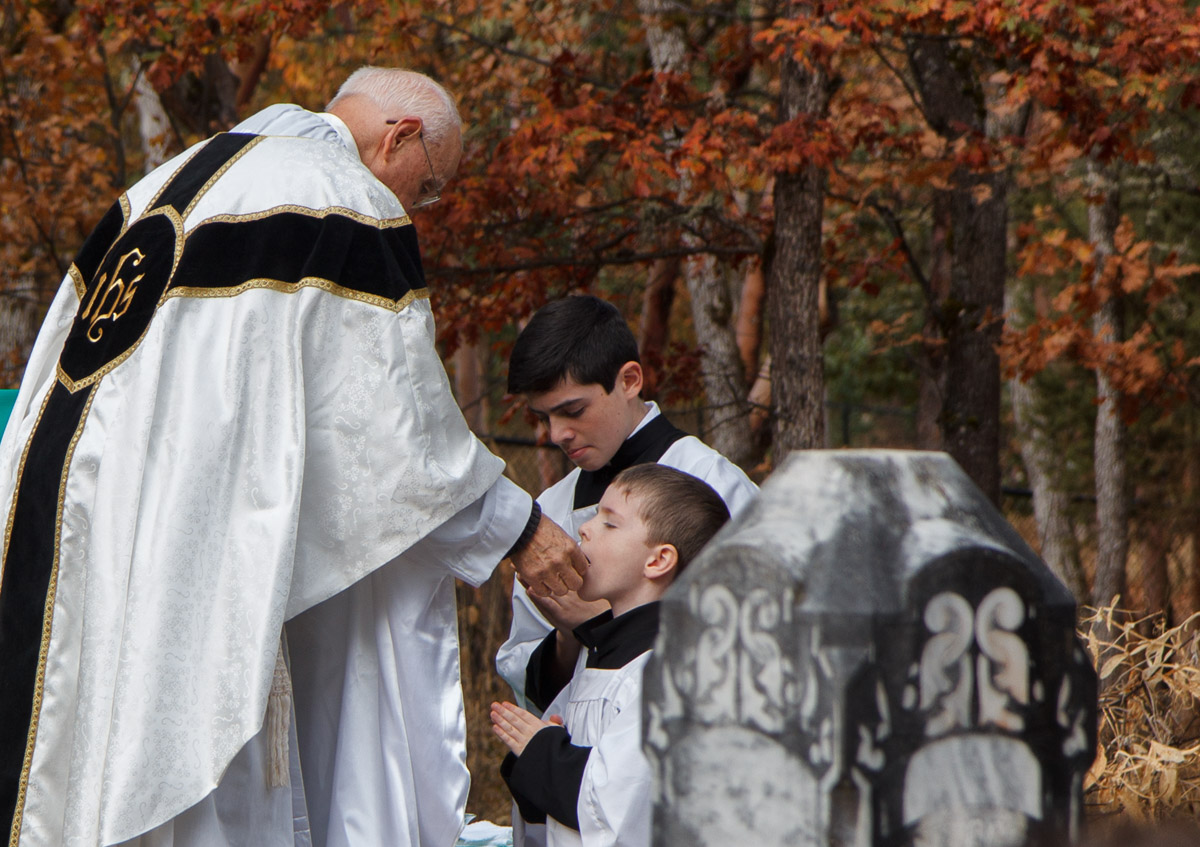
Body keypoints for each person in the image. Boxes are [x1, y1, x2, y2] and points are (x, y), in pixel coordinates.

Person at [0, 67, 585, 847]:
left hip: (83, 525)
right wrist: (519, 529)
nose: (422, 207)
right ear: (400, 137)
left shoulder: (163, 186)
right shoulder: (339, 194)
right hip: (194, 544)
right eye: (430, 186)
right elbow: (395, 426)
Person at [495, 295, 757, 709]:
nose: (557, 434)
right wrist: (567, 637)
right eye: (543, 418)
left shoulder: (712, 483)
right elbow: (525, 668)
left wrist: (600, 625)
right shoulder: (550, 511)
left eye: (573, 410)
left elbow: (754, 638)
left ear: (630, 380)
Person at [491, 464, 730, 847]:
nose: (585, 529)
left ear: (658, 561)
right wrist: (530, 762)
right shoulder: (598, 655)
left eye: (609, 523)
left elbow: (624, 810)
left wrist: (544, 753)